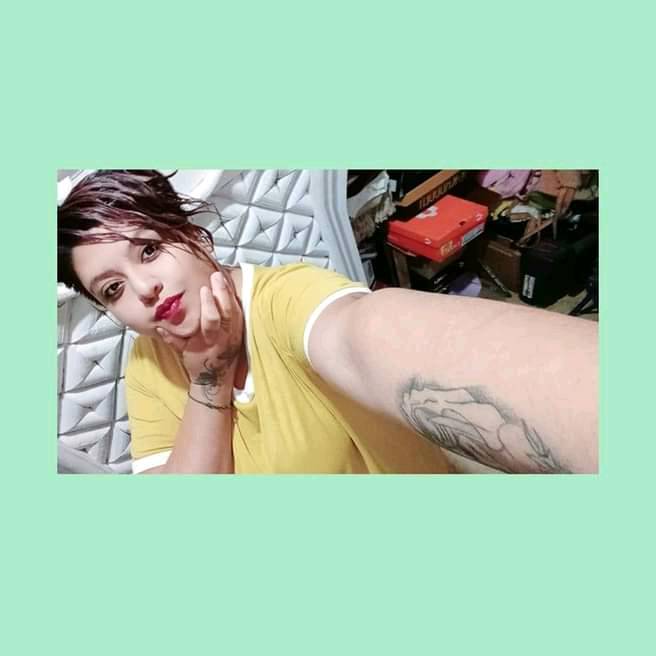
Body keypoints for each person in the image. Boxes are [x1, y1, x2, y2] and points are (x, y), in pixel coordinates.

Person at [58, 170, 598, 474]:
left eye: (149, 250)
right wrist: (210, 377)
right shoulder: (148, 366)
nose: (144, 289)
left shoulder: (287, 299)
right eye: (113, 289)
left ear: (190, 234)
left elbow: (365, 336)